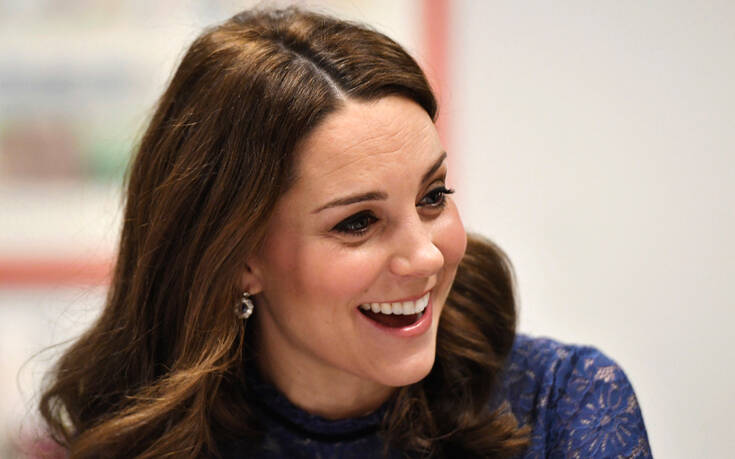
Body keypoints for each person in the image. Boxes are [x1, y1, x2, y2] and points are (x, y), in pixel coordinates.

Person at [39, 7, 651, 458]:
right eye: (358, 222)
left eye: (433, 197)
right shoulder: (128, 438)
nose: (424, 257)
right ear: (240, 258)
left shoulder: (565, 403)